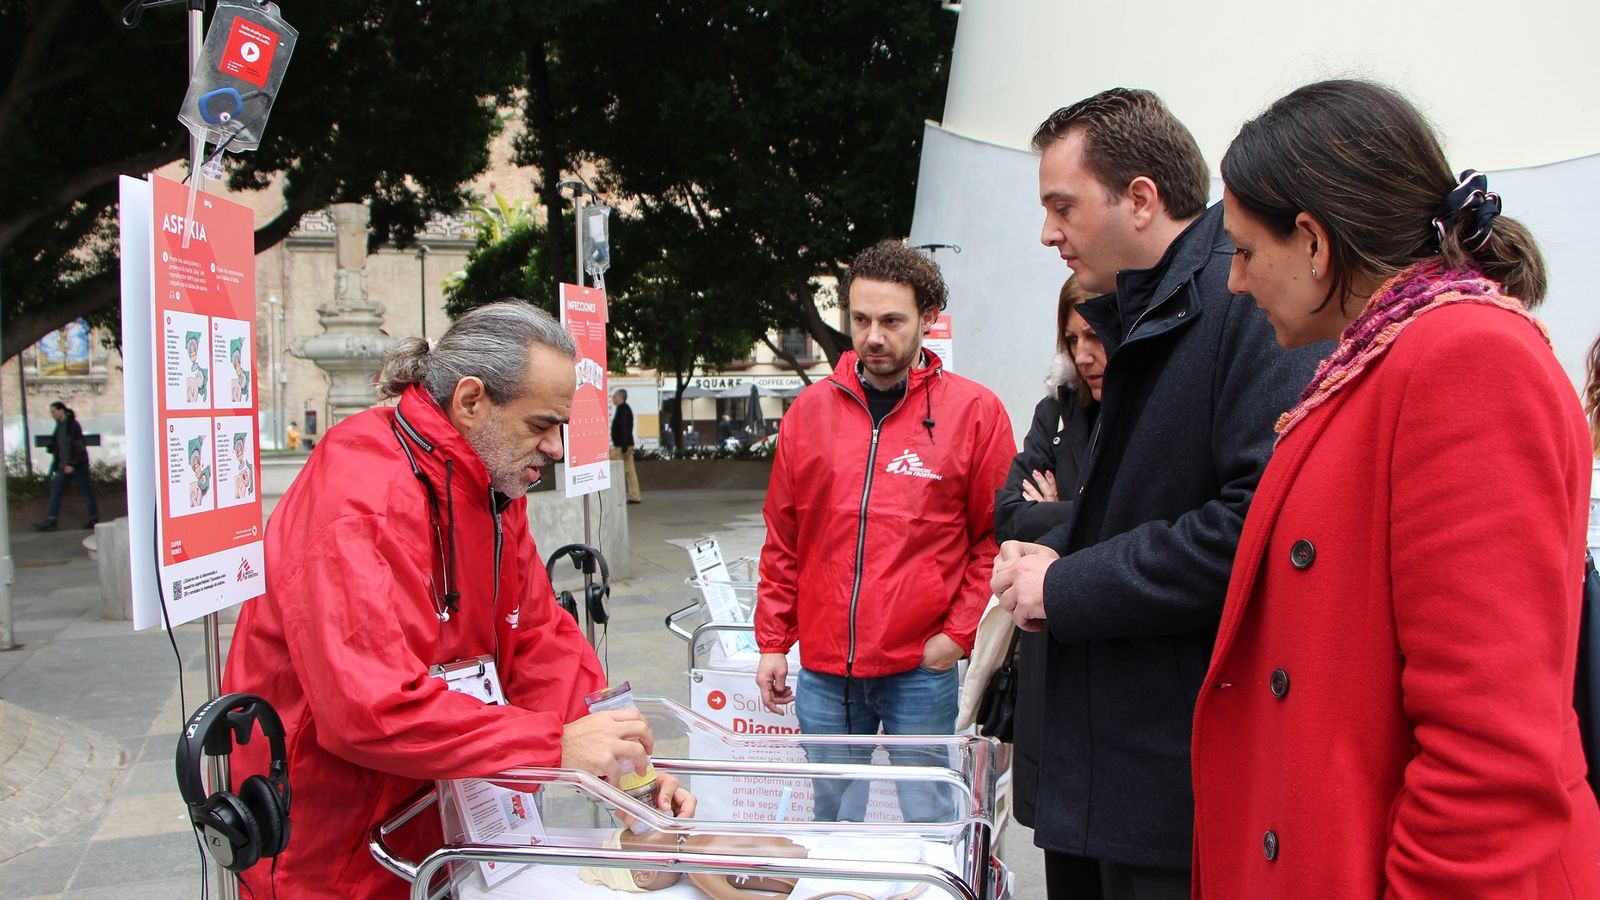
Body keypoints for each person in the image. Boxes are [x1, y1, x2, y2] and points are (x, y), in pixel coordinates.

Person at [1189, 78, 1600, 898]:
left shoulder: (1466, 360)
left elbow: (1487, 750)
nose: (1234, 283)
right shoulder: (1386, 359)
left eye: (1243, 251)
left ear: (1314, 241)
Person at [221, 302, 694, 898]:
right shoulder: (361, 496)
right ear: (470, 402)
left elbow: (540, 637)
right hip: (335, 832)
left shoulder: (490, 484)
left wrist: (627, 776)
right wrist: (555, 745)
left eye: (561, 428)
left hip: (436, 815)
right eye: (540, 425)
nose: (554, 448)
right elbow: (368, 708)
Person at [989, 88, 1322, 898]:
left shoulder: (1240, 306)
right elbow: (1151, 509)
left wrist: (1065, 580)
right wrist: (1064, 544)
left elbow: (1256, 526)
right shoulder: (1144, 309)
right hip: (1116, 771)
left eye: (1062, 206)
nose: (1047, 232)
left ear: (1140, 199)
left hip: (1176, 781)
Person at [756, 239, 1015, 822]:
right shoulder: (809, 412)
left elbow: (995, 538)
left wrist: (959, 634)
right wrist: (773, 641)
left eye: (892, 320)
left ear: (928, 319)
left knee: (929, 815)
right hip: (826, 670)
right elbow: (783, 539)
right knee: (832, 813)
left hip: (918, 668)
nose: (873, 336)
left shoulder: (976, 413)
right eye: (861, 319)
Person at [991, 274, 1102, 839]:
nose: (1084, 355)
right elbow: (1008, 516)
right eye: (1071, 338)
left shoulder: (1144, 408)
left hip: (1109, 643)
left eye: (1097, 336)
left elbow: (1152, 518)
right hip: (1045, 648)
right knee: (1055, 827)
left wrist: (1066, 508)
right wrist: (1089, 514)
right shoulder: (1054, 412)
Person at [34, 401, 98, 530]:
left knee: (86, 492)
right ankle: (51, 521)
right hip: (63, 466)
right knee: (55, 491)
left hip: (77, 466)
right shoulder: (59, 426)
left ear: (61, 410)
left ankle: (94, 519)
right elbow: (60, 445)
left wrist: (72, 464)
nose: (52, 415)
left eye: (53, 411)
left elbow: (78, 446)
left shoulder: (72, 425)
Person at [610, 389, 642, 504]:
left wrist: (623, 446)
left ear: (620, 397)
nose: (613, 398)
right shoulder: (624, 409)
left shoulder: (623, 409)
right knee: (630, 471)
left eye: (614, 396)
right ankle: (635, 496)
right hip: (627, 444)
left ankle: (609, 493)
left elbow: (624, 428)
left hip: (623, 446)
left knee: (605, 459)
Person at [232, 432, 254, 499]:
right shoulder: (236, 471)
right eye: (237, 451)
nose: (239, 453)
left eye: (240, 449)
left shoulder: (247, 466)